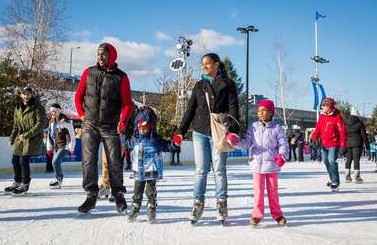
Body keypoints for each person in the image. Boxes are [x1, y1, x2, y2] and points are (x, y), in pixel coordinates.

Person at [173, 53, 239, 224]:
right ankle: (198, 204)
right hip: (200, 131)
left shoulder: (228, 84)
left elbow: (234, 109)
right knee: (201, 170)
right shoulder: (199, 85)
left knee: (219, 169)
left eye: (207, 64)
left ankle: (221, 204)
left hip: (218, 132)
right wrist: (181, 131)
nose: (204, 67)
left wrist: (233, 130)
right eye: (203, 64)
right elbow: (190, 110)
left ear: (217, 64)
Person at [74, 43, 133, 214]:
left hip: (110, 125)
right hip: (90, 124)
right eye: (98, 54)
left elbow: (127, 103)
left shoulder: (121, 77)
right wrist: (81, 115)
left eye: (104, 55)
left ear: (111, 56)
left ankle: (119, 195)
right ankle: (91, 195)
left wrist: (122, 122)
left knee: (114, 161)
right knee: (88, 161)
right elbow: (78, 96)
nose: (100, 57)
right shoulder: (88, 72)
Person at [228, 99, 288, 227]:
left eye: (264, 110)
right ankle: (257, 215)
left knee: (273, 191)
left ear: (271, 112)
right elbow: (247, 142)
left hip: (272, 163)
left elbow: (283, 143)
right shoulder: (253, 126)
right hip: (257, 163)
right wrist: (236, 142)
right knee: (258, 191)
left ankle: (277, 215)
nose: (260, 113)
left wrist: (282, 155)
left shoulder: (277, 128)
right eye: (259, 111)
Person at [123, 106, 177, 223]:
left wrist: (175, 144)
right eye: (140, 127)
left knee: (150, 191)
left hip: (151, 170)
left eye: (145, 127)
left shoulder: (155, 140)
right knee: (137, 191)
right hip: (139, 171)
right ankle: (135, 208)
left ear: (150, 127)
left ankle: (151, 208)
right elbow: (126, 143)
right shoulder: (135, 140)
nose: (142, 130)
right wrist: (121, 132)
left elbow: (167, 146)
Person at [4, 86, 46, 195]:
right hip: (20, 137)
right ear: (21, 95)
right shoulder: (18, 108)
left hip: (33, 138)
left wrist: (26, 135)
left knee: (23, 161)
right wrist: (12, 137)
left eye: (28, 94)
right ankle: (17, 182)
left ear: (32, 94)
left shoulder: (38, 107)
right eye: (24, 94)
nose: (26, 96)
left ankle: (25, 184)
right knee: (15, 160)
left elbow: (40, 125)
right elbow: (16, 125)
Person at [311, 98, 347, 192]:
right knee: (326, 161)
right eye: (322, 105)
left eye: (324, 106)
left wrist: (343, 144)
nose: (322, 107)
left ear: (329, 107)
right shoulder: (322, 117)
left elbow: (342, 131)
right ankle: (332, 178)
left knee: (331, 161)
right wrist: (314, 138)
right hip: (324, 144)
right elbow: (318, 128)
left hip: (334, 144)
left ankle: (335, 181)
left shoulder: (337, 117)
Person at [47, 103, 76, 189]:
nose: (53, 113)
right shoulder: (51, 122)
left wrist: (71, 147)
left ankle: (59, 179)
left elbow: (72, 135)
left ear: (59, 112)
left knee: (55, 162)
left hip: (64, 145)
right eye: (51, 111)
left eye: (55, 111)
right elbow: (49, 135)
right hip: (56, 146)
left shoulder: (66, 122)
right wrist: (49, 148)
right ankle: (57, 179)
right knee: (55, 163)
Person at [344, 108, 369, 184]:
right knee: (356, 160)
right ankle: (357, 177)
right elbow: (363, 135)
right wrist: (367, 145)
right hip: (357, 144)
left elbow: (343, 133)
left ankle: (347, 176)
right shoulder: (359, 123)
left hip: (348, 144)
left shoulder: (345, 122)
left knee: (348, 160)